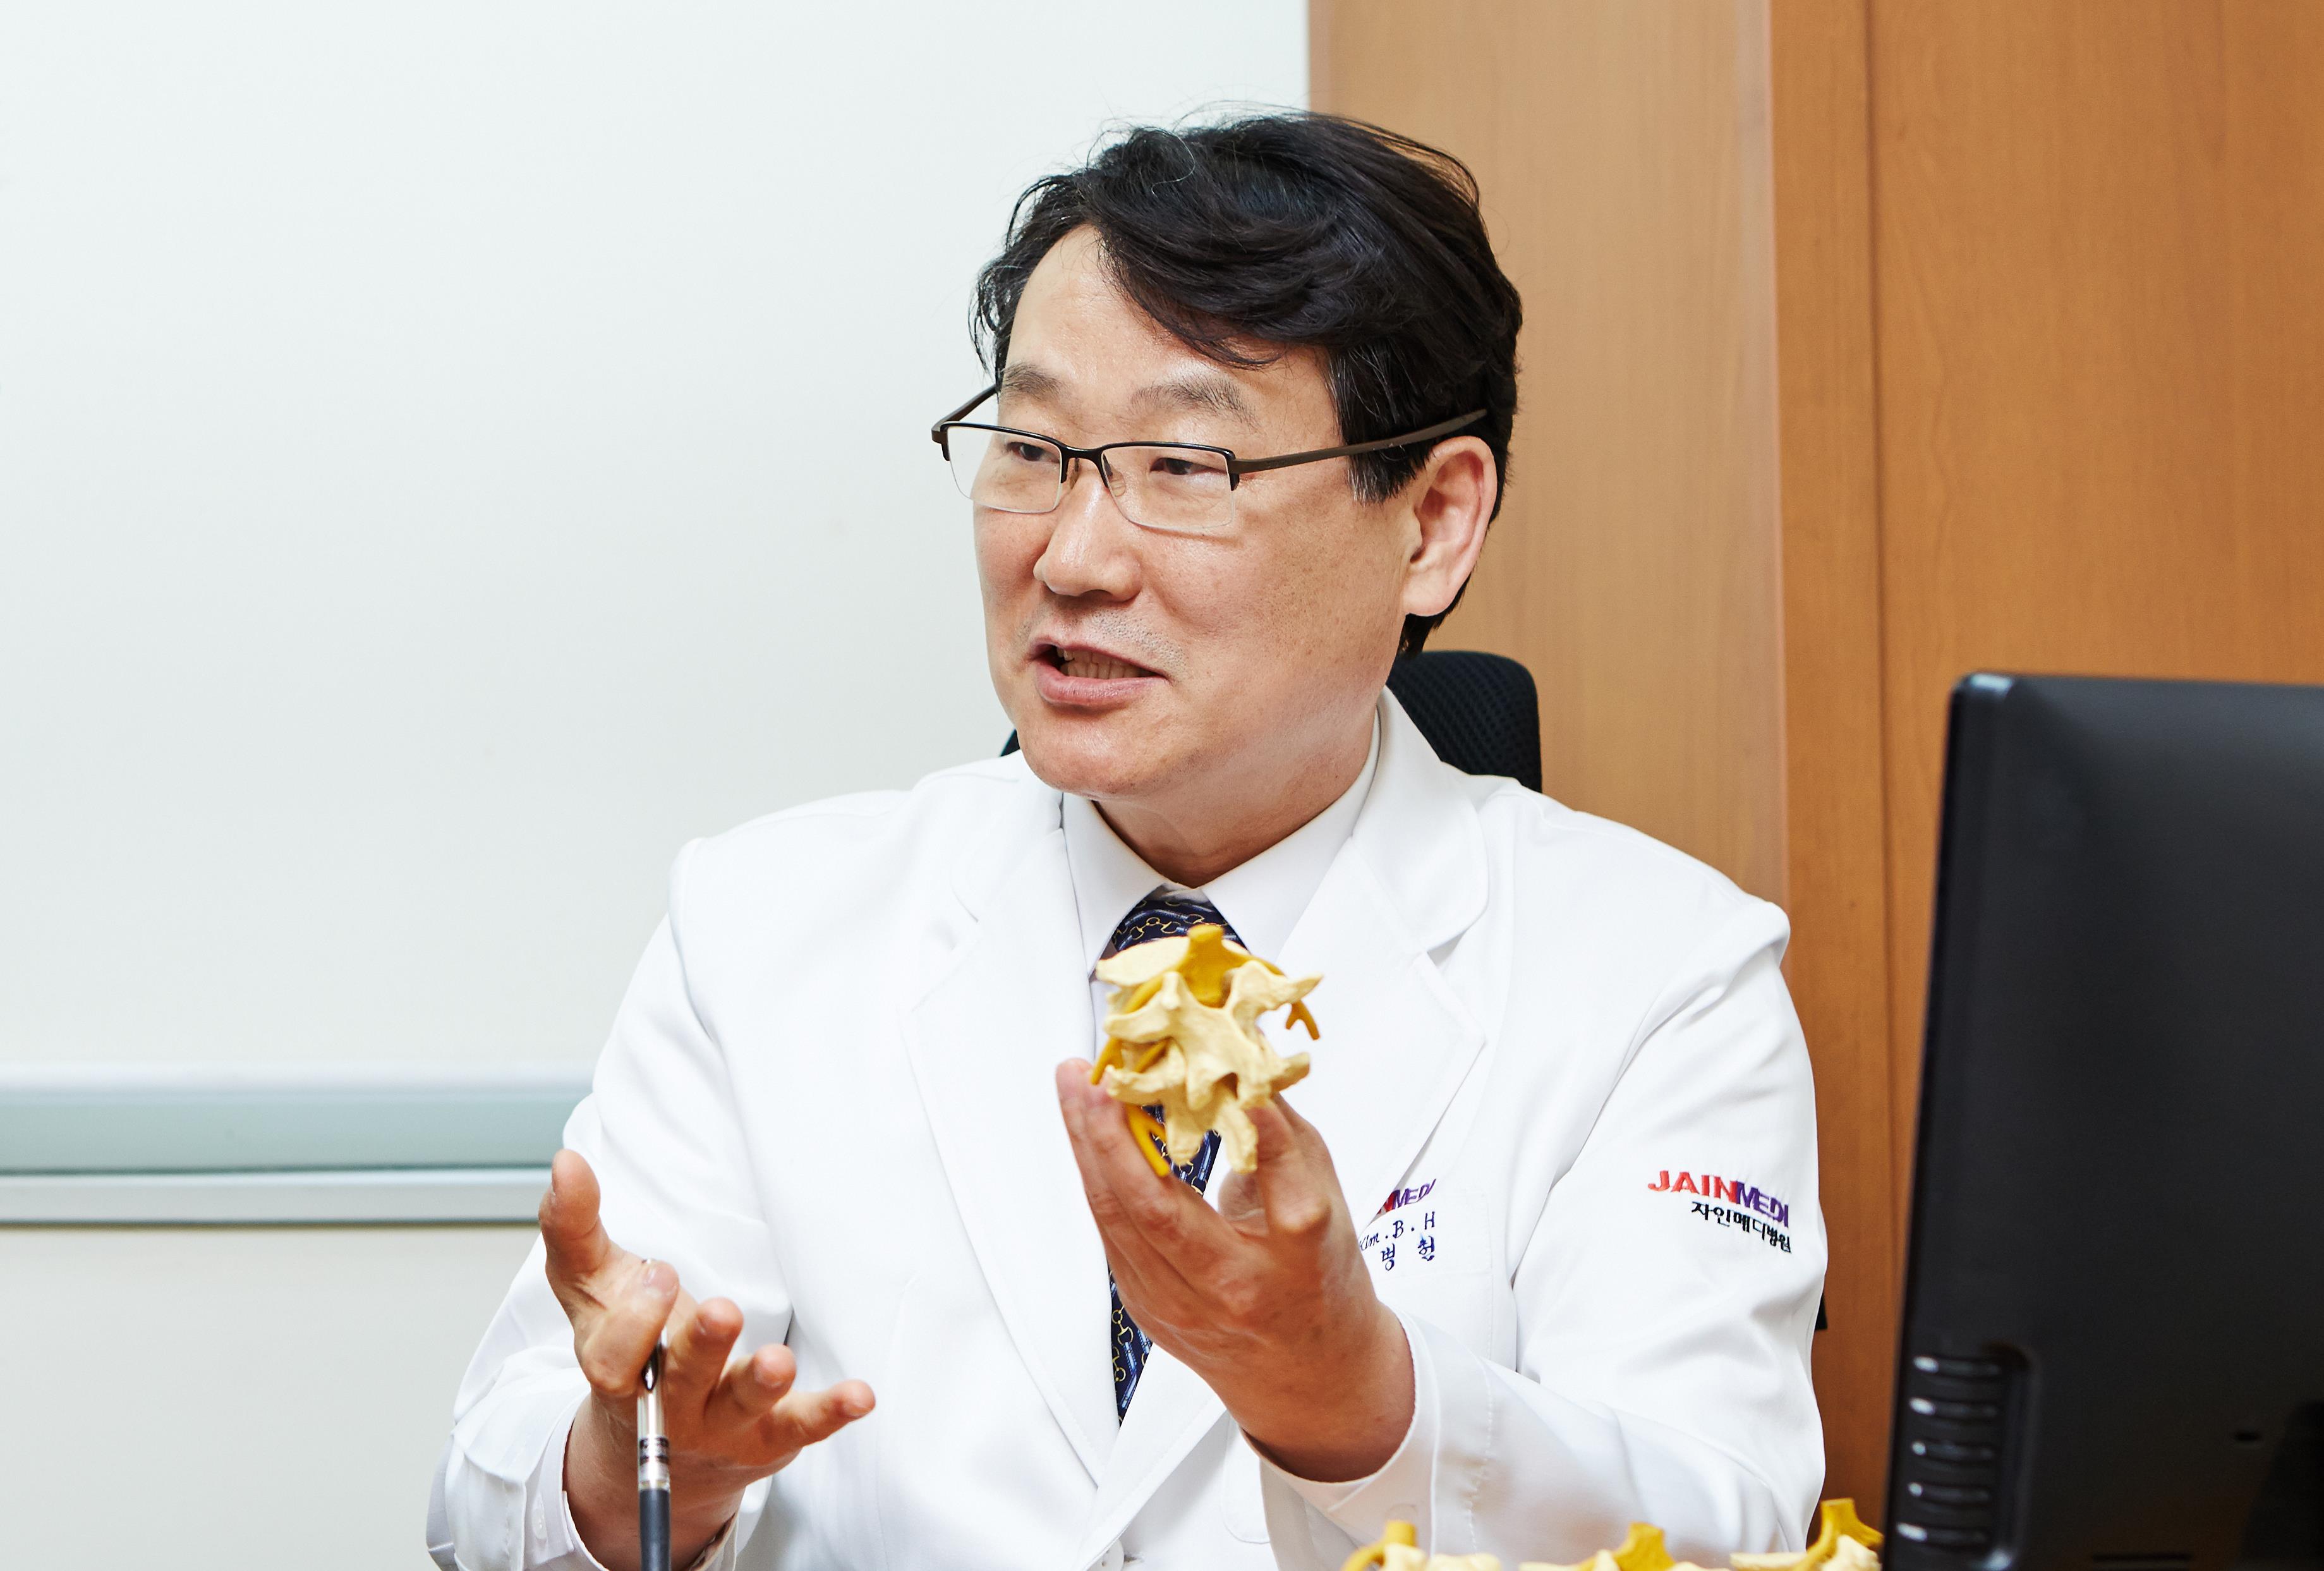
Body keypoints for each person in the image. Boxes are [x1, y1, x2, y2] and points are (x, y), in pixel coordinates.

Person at [430, 112, 1825, 1571]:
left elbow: (1723, 1524)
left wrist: (1364, 1404)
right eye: (1033, 449)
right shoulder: (763, 925)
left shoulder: (1663, 976)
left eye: (1184, 465)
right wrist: (639, 1471)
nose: (1074, 555)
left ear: (1431, 522)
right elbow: (485, 1500)